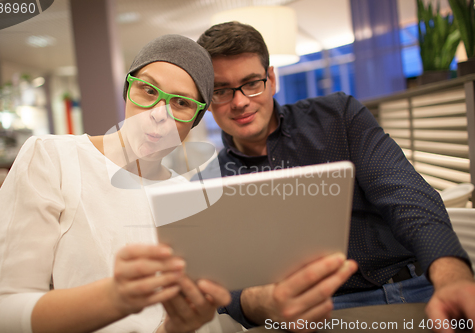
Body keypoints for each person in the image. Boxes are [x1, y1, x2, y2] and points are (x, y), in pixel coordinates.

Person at [196, 21, 475, 332]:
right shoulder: (209, 182)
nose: (240, 101)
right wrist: (263, 303)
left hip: (413, 287)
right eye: (221, 91)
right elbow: (221, 279)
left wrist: (453, 276)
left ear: (271, 79)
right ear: (207, 100)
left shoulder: (339, 116)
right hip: (315, 317)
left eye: (251, 83)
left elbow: (405, 194)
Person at [0, 34, 231, 333]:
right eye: (148, 90)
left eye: (181, 103)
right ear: (128, 89)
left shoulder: (186, 199)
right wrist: (116, 297)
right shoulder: (53, 158)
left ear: (197, 117)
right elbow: (1, 314)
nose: (159, 114)